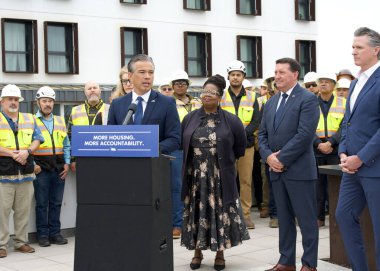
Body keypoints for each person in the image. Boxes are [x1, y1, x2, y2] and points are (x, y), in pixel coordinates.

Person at [181, 74, 249, 271]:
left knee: (220, 214)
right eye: (205, 91)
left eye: (212, 92)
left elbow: (240, 148)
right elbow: (183, 143)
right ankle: (197, 252)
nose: (207, 95)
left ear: (220, 96)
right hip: (195, 177)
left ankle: (220, 254)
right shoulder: (189, 118)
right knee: (197, 213)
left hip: (219, 177)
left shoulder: (231, 121)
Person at [259, 58, 320, 271]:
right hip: (276, 171)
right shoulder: (270, 102)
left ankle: (309, 264)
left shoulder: (307, 99)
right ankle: (286, 262)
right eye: (275, 72)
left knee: (306, 220)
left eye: (282, 72)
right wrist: (268, 157)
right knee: (284, 220)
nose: (277, 76)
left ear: (295, 75)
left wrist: (280, 159)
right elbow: (262, 135)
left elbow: (305, 135)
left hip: (299, 171)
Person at [336, 27, 380, 271]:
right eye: (353, 47)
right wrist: (343, 150)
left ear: (376, 50)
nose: (353, 51)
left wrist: (361, 157)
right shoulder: (355, 83)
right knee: (343, 215)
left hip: (374, 168)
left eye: (359, 47)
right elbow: (347, 121)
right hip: (351, 169)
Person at [0, 84, 44, 258]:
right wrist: (12, 153)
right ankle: (2, 245)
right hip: (3, 175)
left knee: (23, 211)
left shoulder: (30, 118)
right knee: (2, 213)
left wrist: (28, 151)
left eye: (16, 99)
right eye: (10, 99)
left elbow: (38, 139)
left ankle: (20, 242)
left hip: (25, 174)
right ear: (2, 101)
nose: (13, 102)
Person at [107, 54, 181, 155]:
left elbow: (174, 139)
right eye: (142, 72)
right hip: (124, 165)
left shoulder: (167, 103)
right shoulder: (117, 104)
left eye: (151, 72)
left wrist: (149, 148)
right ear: (130, 76)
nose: (147, 77)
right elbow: (111, 138)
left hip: (154, 166)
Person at [220, 60, 260, 229]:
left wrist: (242, 134)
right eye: (233, 75)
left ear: (243, 77)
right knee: (226, 180)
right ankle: (227, 214)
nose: (235, 77)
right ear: (228, 77)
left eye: (239, 74)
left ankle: (245, 215)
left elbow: (256, 120)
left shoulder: (252, 97)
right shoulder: (221, 96)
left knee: (245, 181)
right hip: (226, 146)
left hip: (246, 145)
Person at [33, 86, 71, 247]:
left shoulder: (60, 121)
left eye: (50, 101)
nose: (47, 104)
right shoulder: (31, 121)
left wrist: (67, 163)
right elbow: (26, 144)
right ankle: (42, 235)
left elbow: (66, 144)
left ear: (53, 103)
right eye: (44, 101)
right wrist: (33, 164)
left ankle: (55, 233)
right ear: (38, 103)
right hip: (40, 169)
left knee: (56, 203)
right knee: (42, 203)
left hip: (59, 168)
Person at [168, 70, 201, 239]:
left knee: (197, 185)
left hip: (196, 149)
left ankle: (195, 221)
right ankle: (177, 224)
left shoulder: (197, 103)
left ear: (188, 85)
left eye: (183, 83)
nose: (180, 85)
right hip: (178, 149)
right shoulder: (167, 103)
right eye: (177, 83)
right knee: (177, 187)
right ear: (172, 86)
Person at [313, 73, 345, 227]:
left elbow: (345, 126)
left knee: (335, 186)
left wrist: (331, 142)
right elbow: (305, 125)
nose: (324, 84)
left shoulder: (343, 103)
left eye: (327, 82)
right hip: (316, 148)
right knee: (317, 185)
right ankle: (318, 217)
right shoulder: (310, 102)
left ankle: (335, 217)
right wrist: (318, 143)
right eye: (321, 82)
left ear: (334, 85)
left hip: (336, 148)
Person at [67, 81, 110, 172]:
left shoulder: (110, 109)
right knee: (84, 185)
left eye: (95, 88)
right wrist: (73, 159)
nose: (92, 90)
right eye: (89, 88)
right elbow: (70, 137)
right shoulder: (75, 111)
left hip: (105, 158)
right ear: (85, 92)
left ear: (100, 91)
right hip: (82, 159)